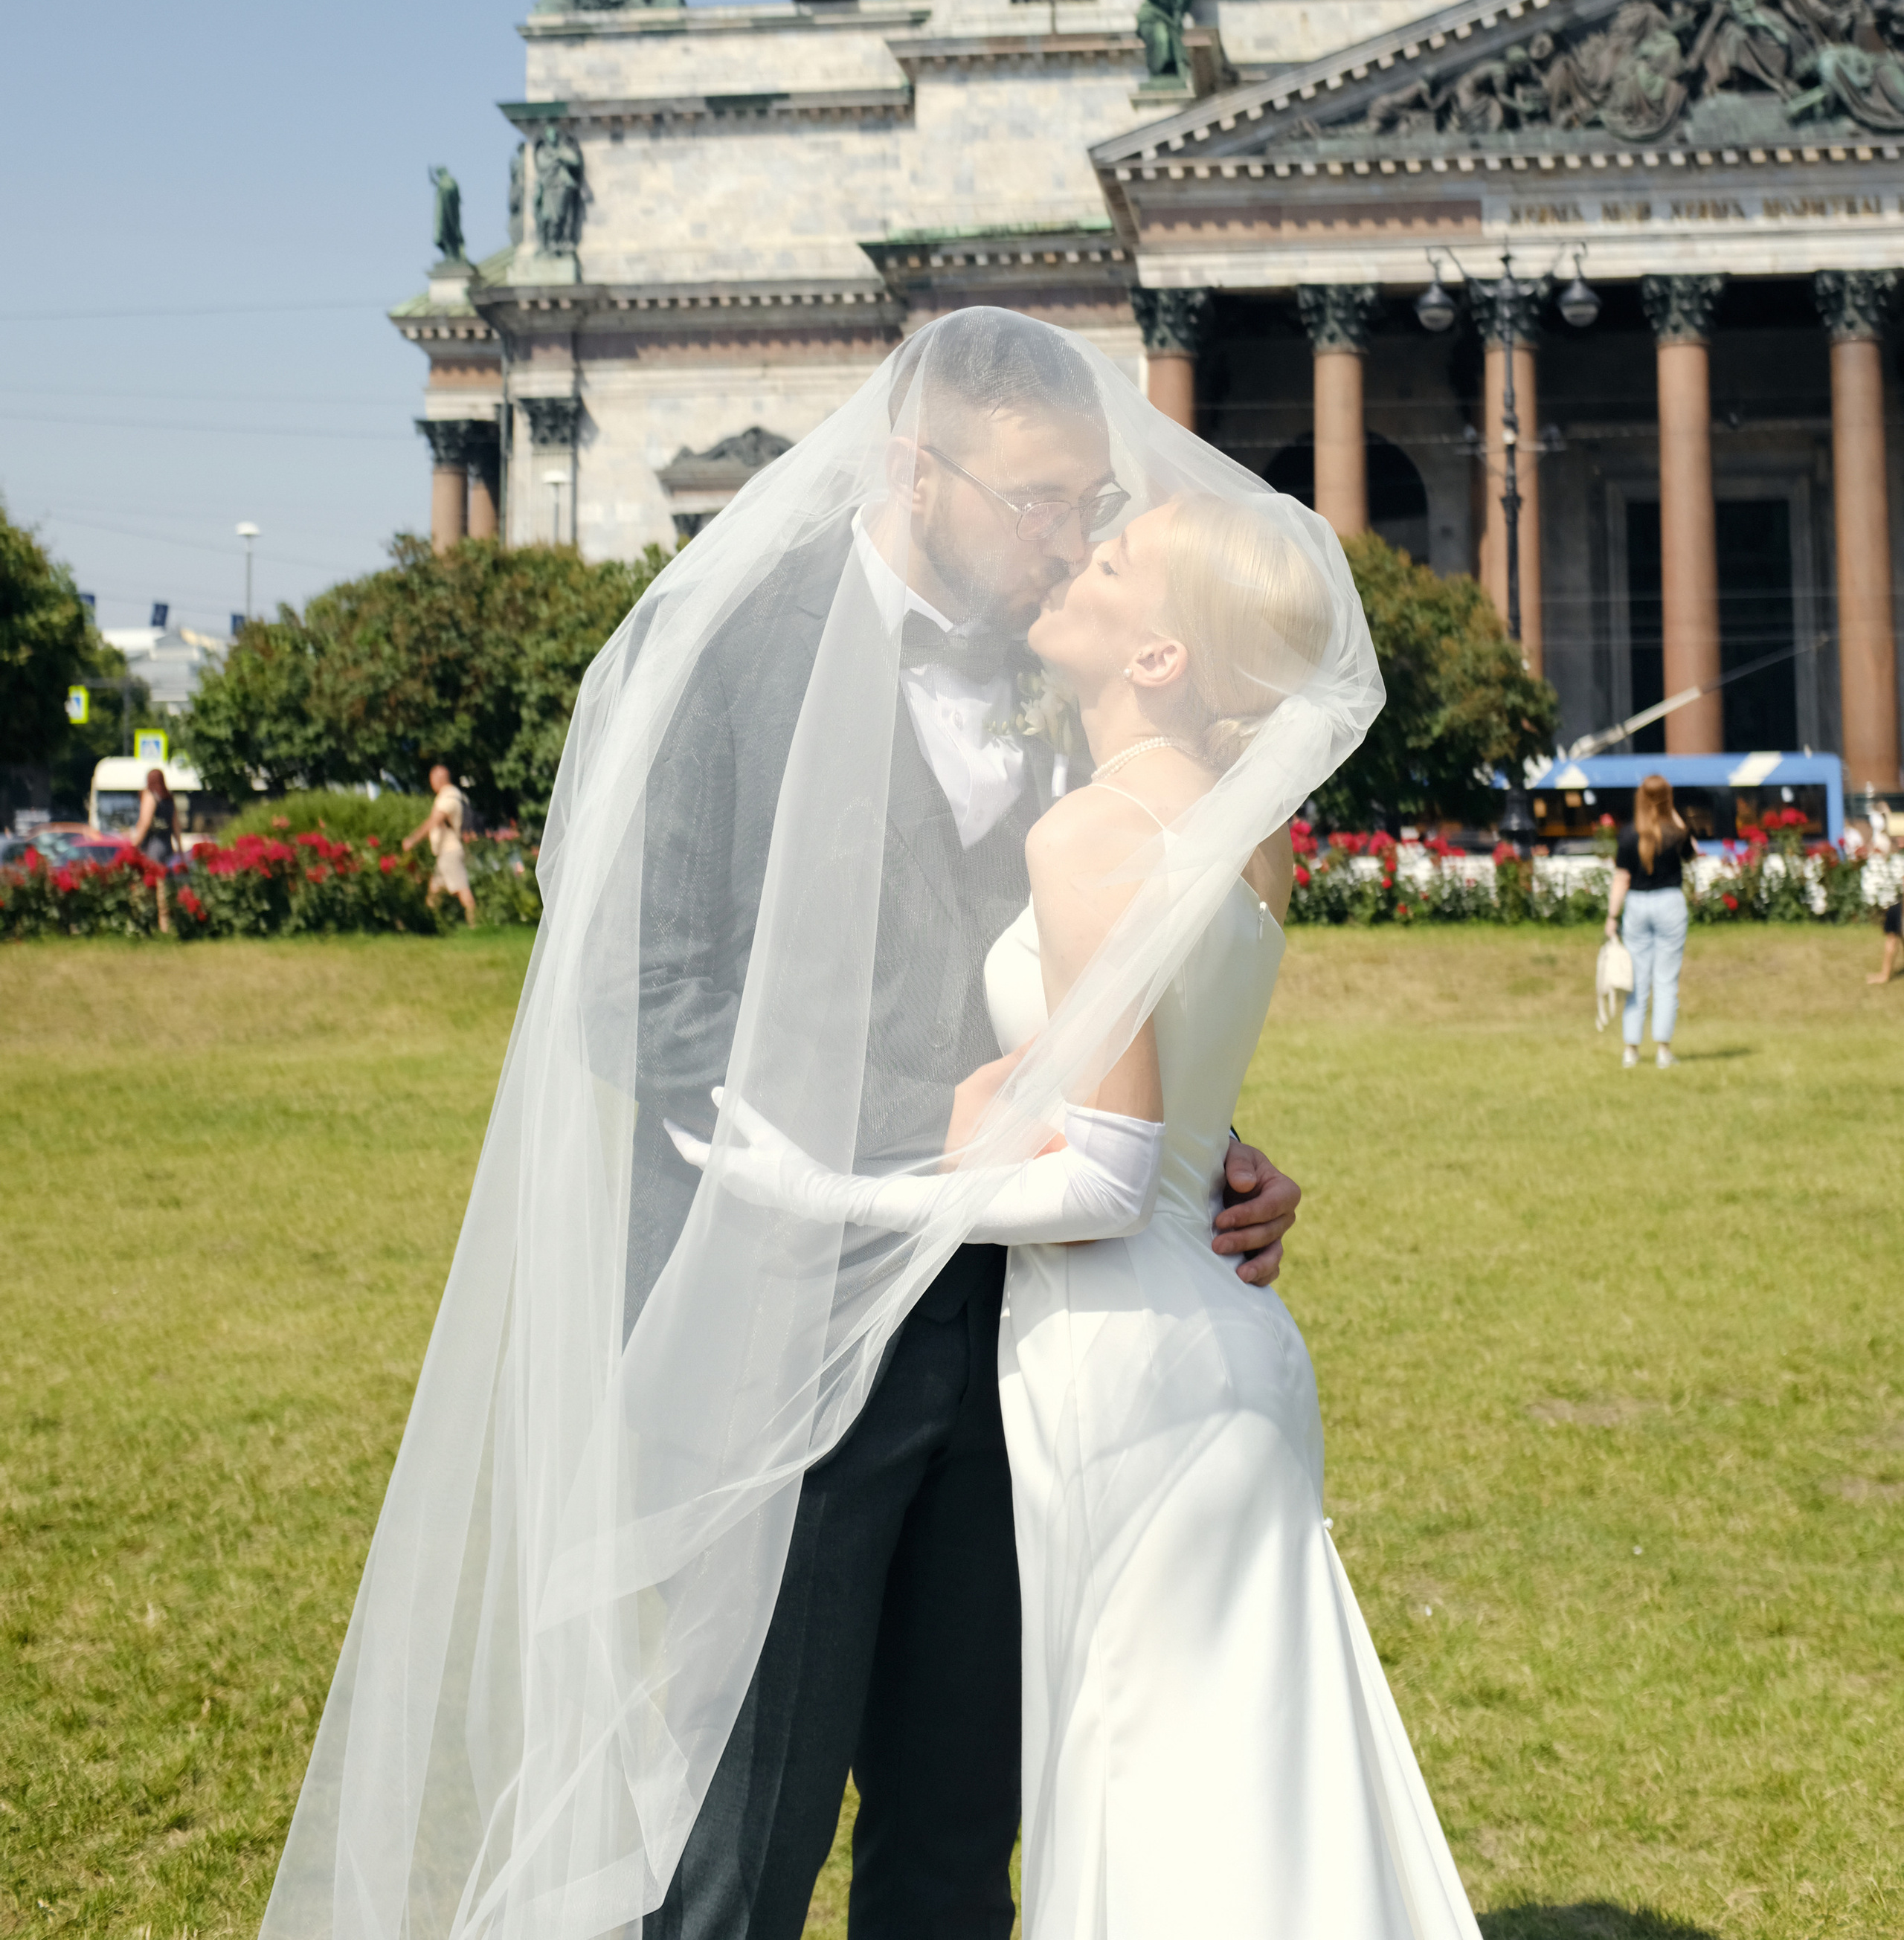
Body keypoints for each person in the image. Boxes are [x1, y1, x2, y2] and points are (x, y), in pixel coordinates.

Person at [259, 310, 1388, 1940]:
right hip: (780, 1340)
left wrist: (1197, 1146)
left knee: (955, 1834)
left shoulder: (1060, 658)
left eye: (1088, 503)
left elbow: (1092, 978)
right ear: (913, 472)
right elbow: (631, 988)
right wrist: (915, 1115)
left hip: (1021, 1339)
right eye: (1035, 501)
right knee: (744, 1845)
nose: (1070, 541)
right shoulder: (729, 645)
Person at [678, 486, 1481, 1935]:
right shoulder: (1238, 831)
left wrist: (852, 1190)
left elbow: (1107, 1174)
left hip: (1117, 1356)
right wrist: (1200, 1152)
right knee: (1253, 1784)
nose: (1070, 551)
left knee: (1138, 1784)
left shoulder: (1089, 832)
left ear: (1160, 654)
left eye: (1103, 553)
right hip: (1212, 1340)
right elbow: (1162, 1096)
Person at [1606, 773, 1691, 1068]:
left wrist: (1611, 917)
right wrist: (1670, 809)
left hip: (1638, 906)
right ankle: (1664, 1052)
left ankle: (1631, 1050)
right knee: (1666, 981)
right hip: (1670, 904)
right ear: (1668, 800)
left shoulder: (1629, 834)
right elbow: (1691, 852)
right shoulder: (1676, 832)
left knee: (1637, 982)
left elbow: (1621, 878)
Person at [402, 761, 476, 926]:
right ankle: (432, 924)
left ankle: (476, 925)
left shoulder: (448, 798)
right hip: (447, 851)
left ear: (439, 779)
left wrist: (413, 839)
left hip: (450, 851)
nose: (431, 783)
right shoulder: (459, 796)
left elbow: (434, 820)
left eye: (432, 779)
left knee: (462, 889)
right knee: (434, 891)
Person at [128, 767, 178, 935]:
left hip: (153, 847)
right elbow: (176, 826)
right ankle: (165, 926)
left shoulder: (150, 796)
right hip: (166, 846)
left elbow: (145, 822)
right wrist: (181, 851)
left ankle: (149, 925)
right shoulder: (169, 799)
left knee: (149, 885)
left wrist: (134, 844)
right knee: (164, 887)